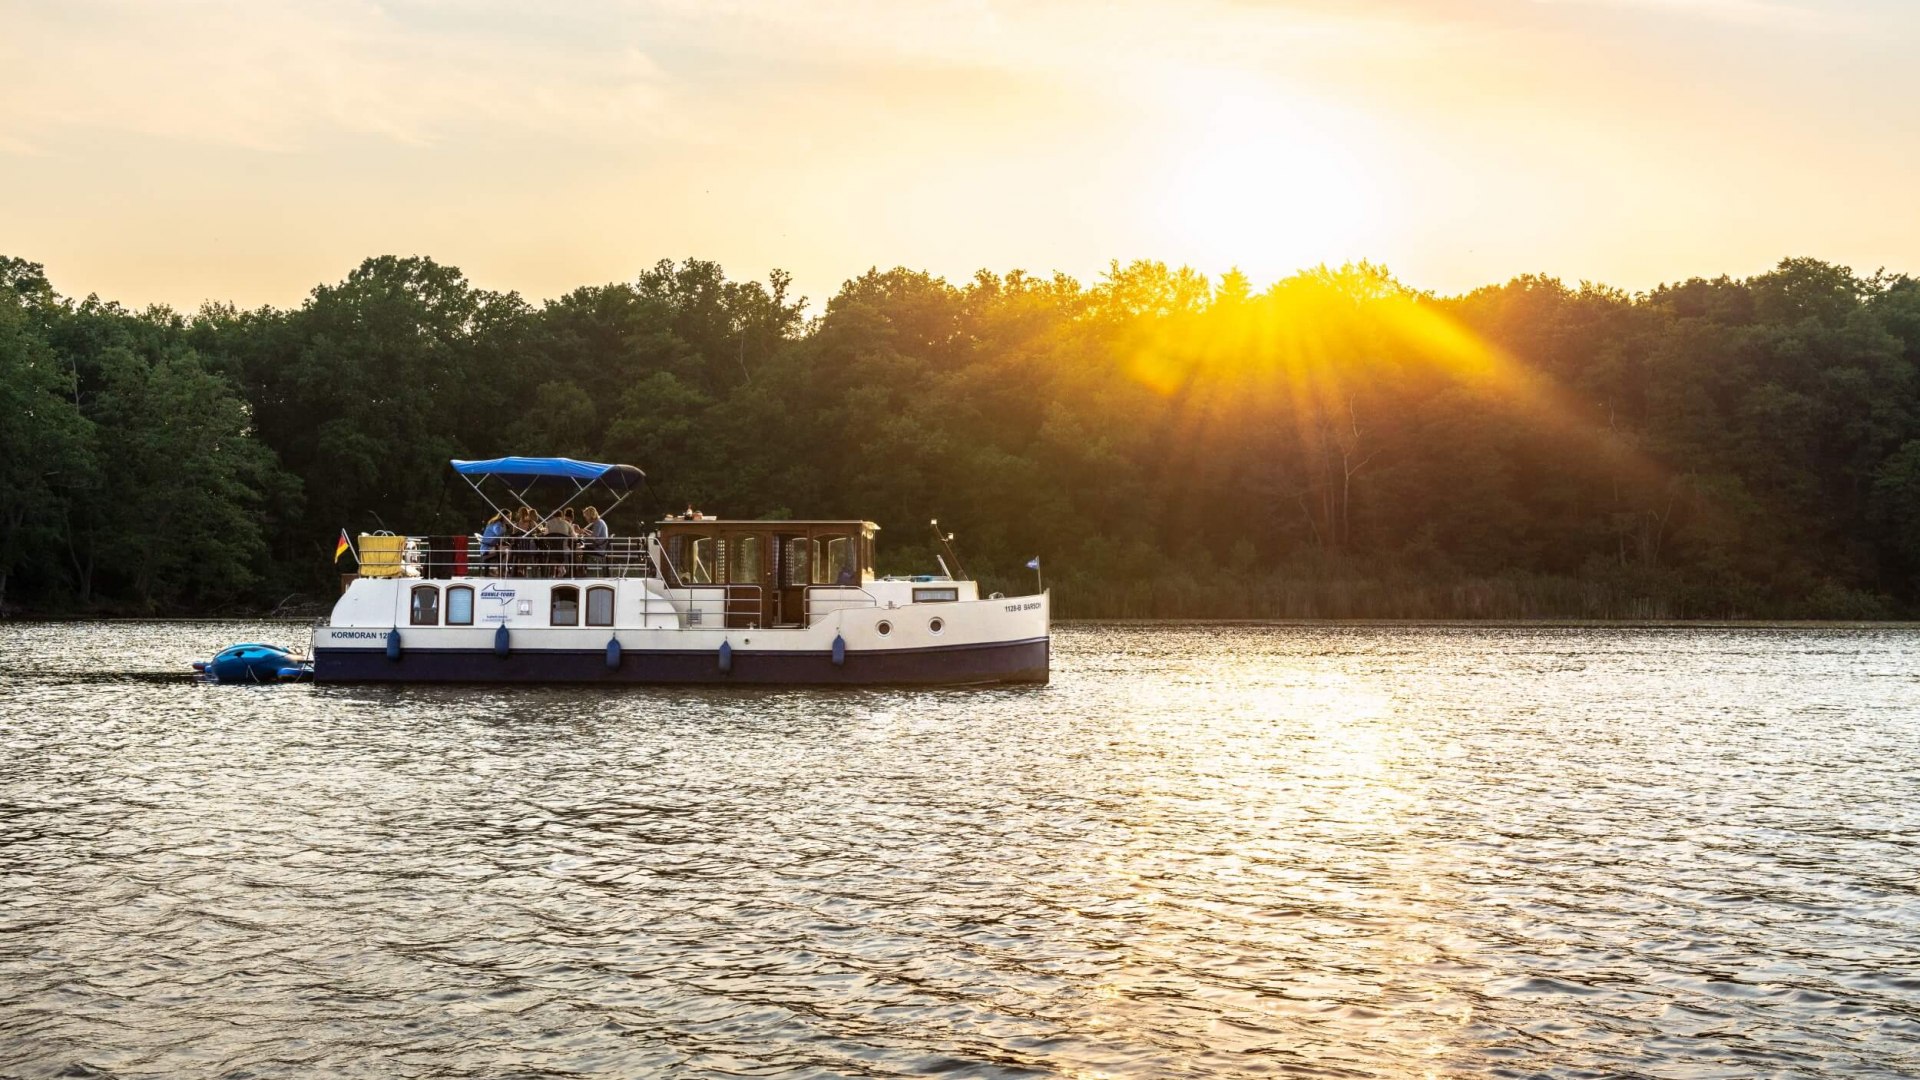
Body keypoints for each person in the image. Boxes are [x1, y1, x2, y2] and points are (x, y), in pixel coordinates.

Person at [582, 506, 610, 571]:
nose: (586, 519)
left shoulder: (598, 523)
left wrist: (584, 535)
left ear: (590, 515)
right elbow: (595, 535)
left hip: (599, 548)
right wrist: (586, 532)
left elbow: (594, 537)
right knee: (582, 547)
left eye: (586, 516)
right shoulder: (599, 522)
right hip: (601, 546)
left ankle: (581, 570)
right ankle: (582, 569)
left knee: (579, 549)